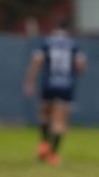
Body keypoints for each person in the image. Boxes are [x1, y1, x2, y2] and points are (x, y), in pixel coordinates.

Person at [24, 19, 87, 166]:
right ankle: (53, 153)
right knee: (60, 121)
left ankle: (44, 143)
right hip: (66, 85)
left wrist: (30, 82)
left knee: (44, 113)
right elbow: (80, 66)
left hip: (49, 84)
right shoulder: (74, 45)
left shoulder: (47, 42)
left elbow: (37, 61)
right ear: (69, 30)